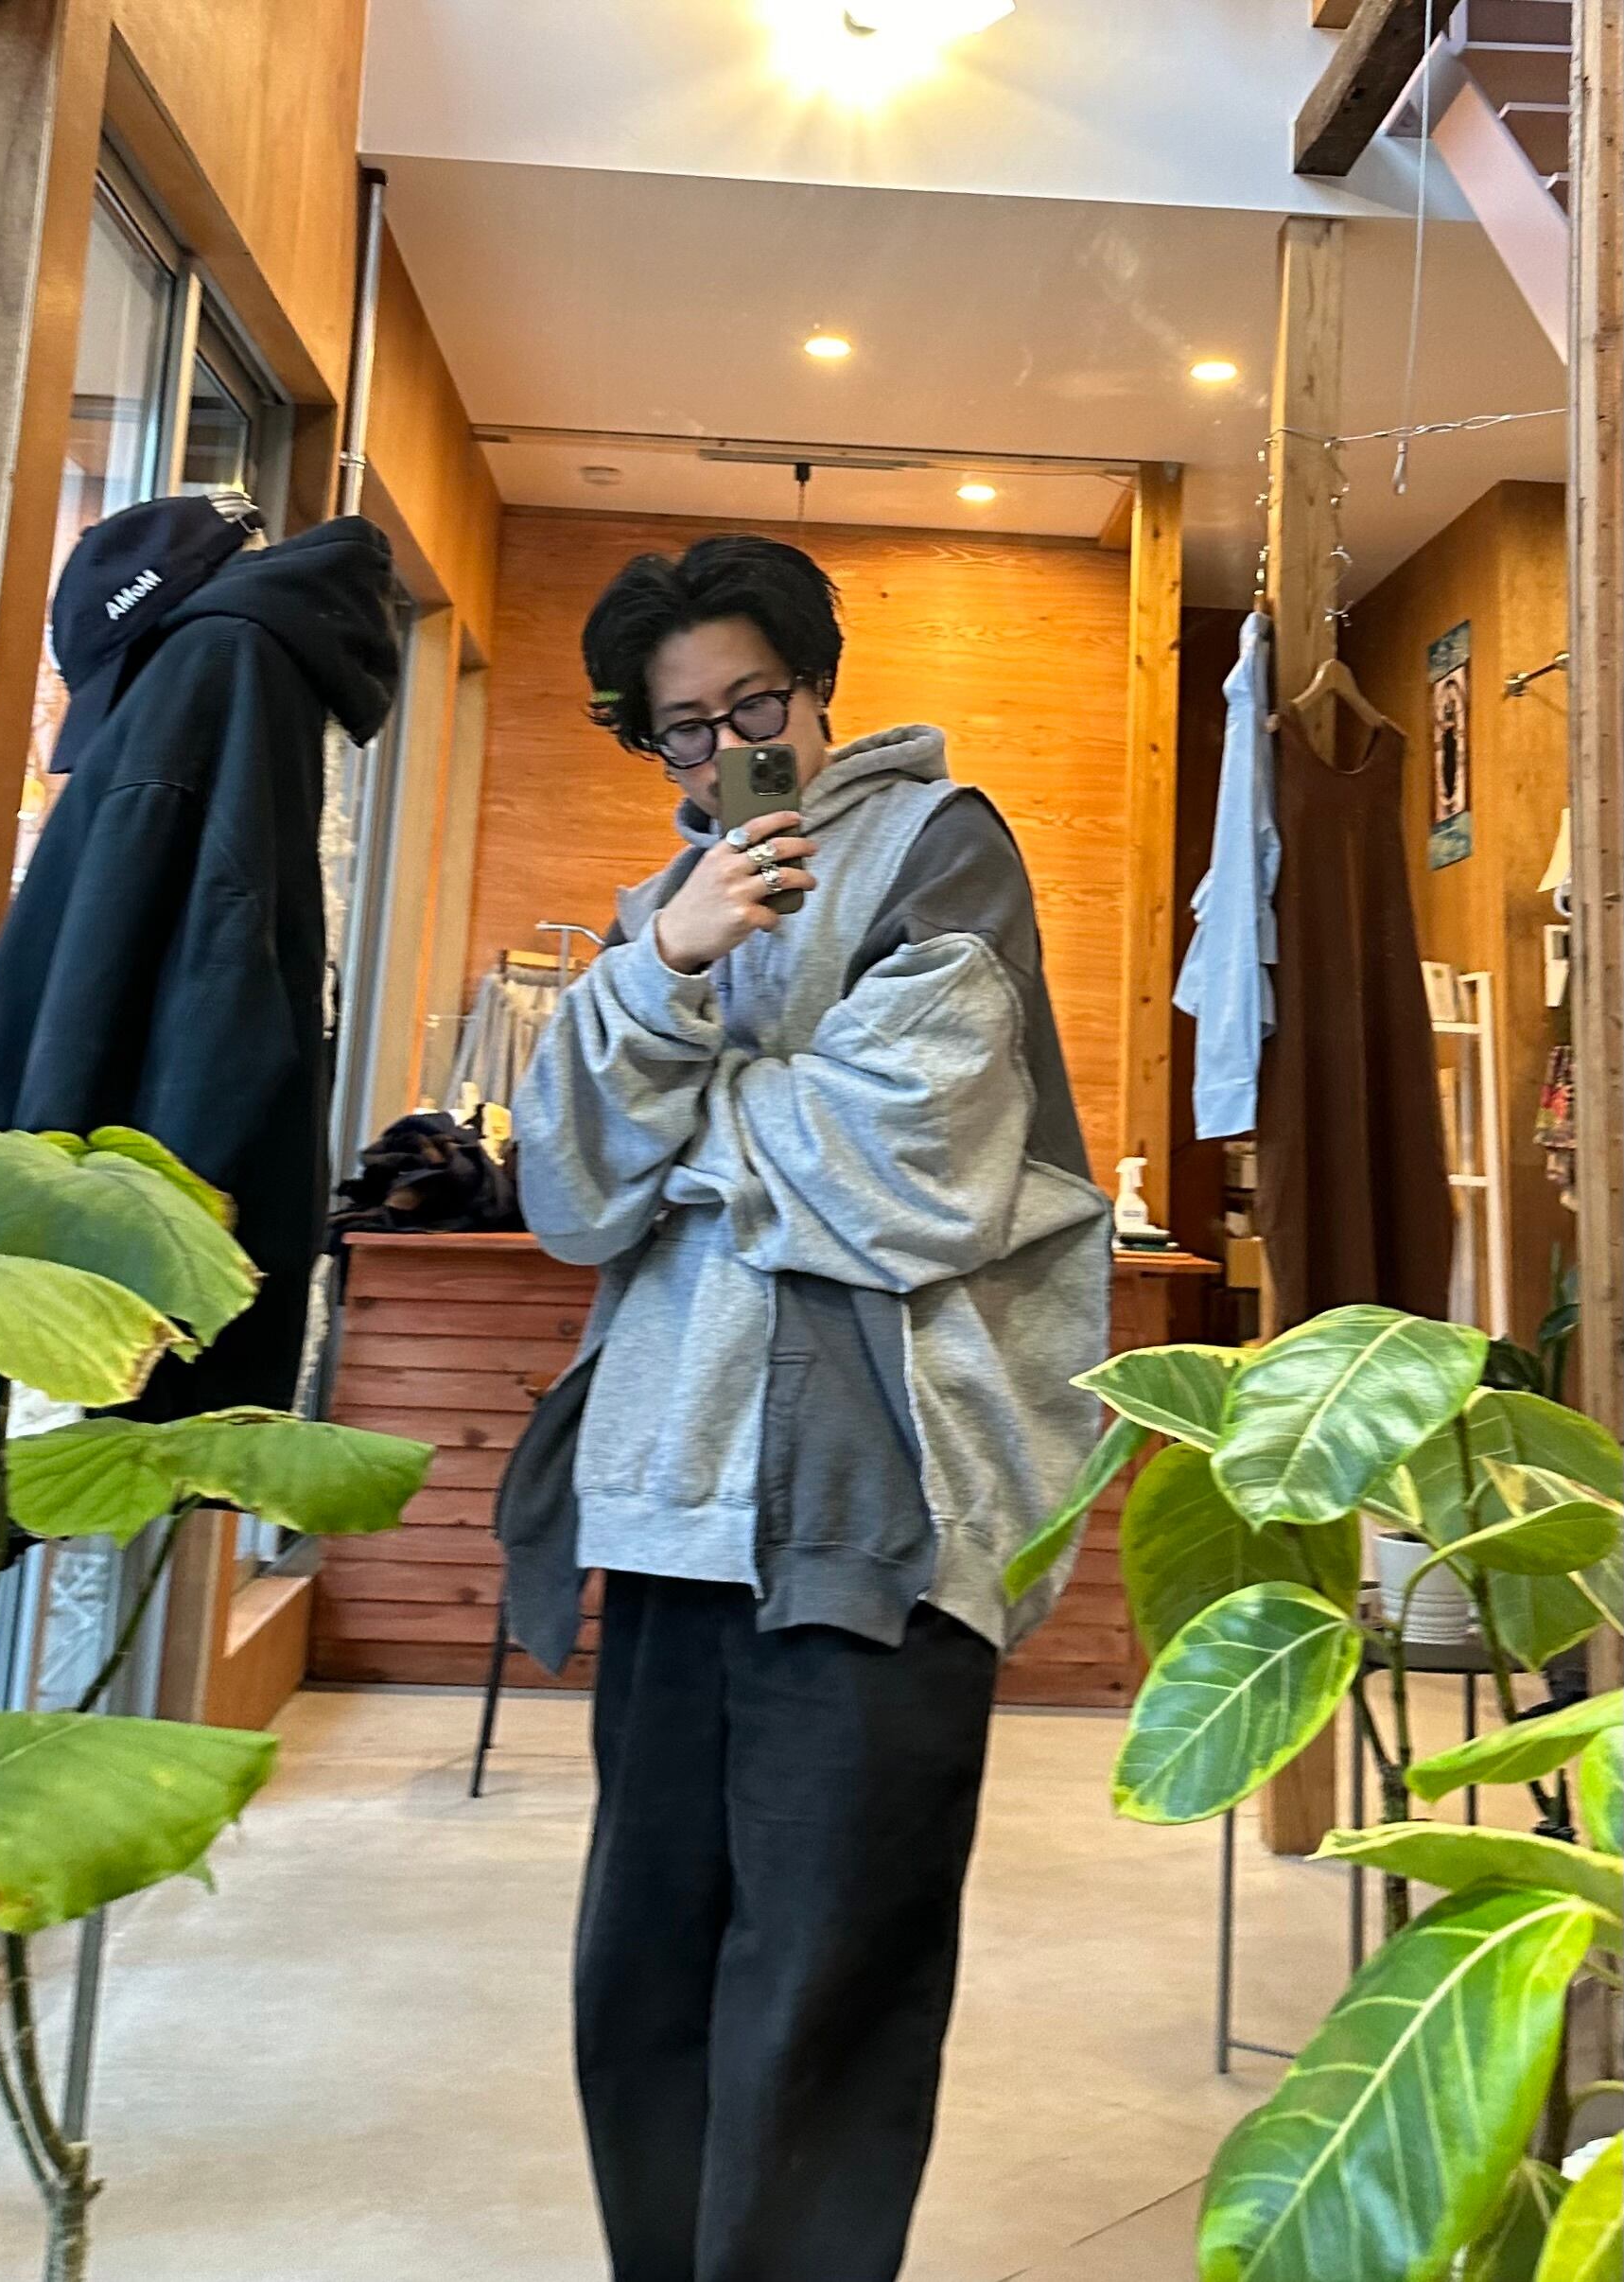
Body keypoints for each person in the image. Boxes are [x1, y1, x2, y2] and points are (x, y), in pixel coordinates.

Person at [501, 534, 1110, 2282]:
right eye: (680, 730)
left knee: (831, 1981)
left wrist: (677, 1127)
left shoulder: (938, 846)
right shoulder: (661, 913)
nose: (722, 753)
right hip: (666, 1491)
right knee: (644, 1977)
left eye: (750, 706)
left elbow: (914, 1168)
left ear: (815, 686)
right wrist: (664, 968)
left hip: (872, 1497)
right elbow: (566, 1197)